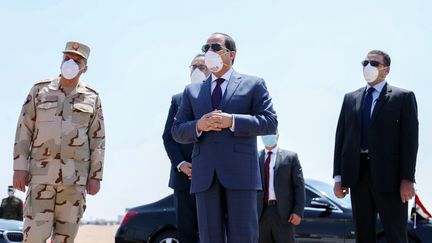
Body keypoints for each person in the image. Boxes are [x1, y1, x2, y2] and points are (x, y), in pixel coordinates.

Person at [172, 32, 278, 243]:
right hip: (205, 178)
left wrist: (233, 121)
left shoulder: (253, 84)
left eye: (216, 47)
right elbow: (177, 130)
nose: (209, 52)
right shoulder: (192, 91)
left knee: (243, 238)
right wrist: (199, 125)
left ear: (232, 55)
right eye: (207, 48)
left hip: (241, 176)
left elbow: (270, 122)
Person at [12, 41, 105, 243]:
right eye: (66, 58)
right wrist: (19, 168)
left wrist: (95, 176)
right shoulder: (40, 90)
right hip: (40, 178)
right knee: (33, 237)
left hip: (75, 181)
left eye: (76, 60)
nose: (70, 63)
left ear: (85, 68)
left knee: (65, 240)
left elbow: (97, 139)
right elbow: (24, 129)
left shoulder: (92, 97)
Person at [333, 50, 418, 243]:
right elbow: (341, 139)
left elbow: (410, 141)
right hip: (357, 174)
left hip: (391, 178)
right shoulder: (350, 99)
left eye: (374, 63)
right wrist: (339, 177)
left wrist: (407, 178)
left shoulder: (403, 97)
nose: (368, 67)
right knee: (363, 235)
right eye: (365, 62)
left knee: (395, 234)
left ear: (386, 70)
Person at [162, 53, 210, 243]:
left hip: (211, 177)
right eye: (193, 66)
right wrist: (181, 164)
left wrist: (203, 165)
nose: (197, 70)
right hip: (183, 180)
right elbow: (168, 137)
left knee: (212, 232)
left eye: (202, 66)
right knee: (186, 233)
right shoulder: (178, 99)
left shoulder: (219, 99)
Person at [257, 133, 305, 243]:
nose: (268, 136)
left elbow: (299, 186)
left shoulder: (290, 157)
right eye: (265, 133)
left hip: (283, 214)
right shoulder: (255, 158)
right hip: (261, 213)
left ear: (277, 135)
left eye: (271, 133)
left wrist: (298, 211)